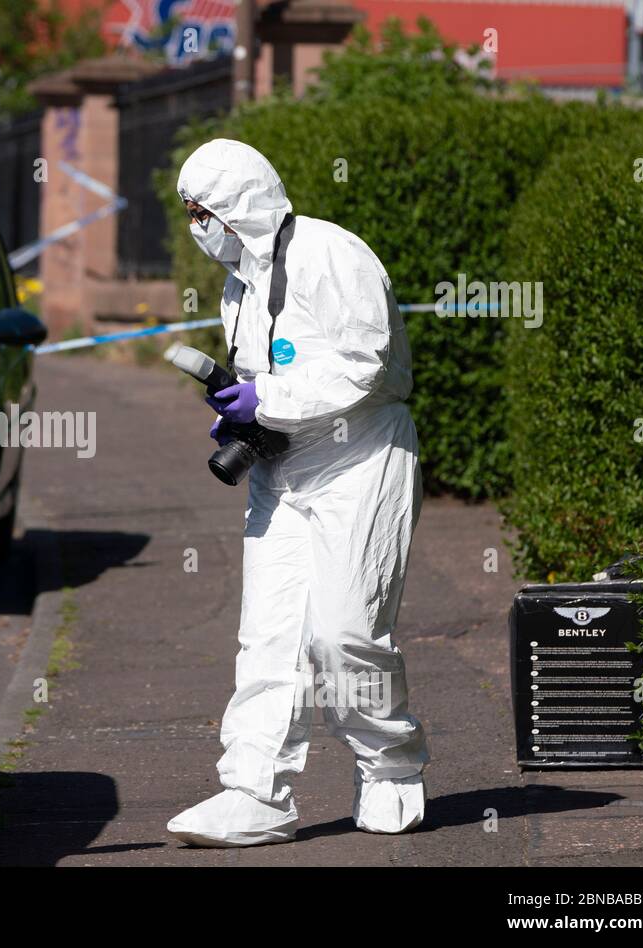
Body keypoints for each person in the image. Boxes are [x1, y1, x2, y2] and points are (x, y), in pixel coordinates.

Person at [167, 139, 428, 847]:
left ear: (239, 205)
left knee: (345, 633)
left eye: (203, 211)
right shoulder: (239, 286)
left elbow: (364, 366)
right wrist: (238, 406)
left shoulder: (331, 254)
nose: (196, 225)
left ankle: (391, 763)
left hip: (362, 458)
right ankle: (254, 790)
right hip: (286, 469)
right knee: (270, 637)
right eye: (189, 212)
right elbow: (266, 379)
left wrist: (266, 395)